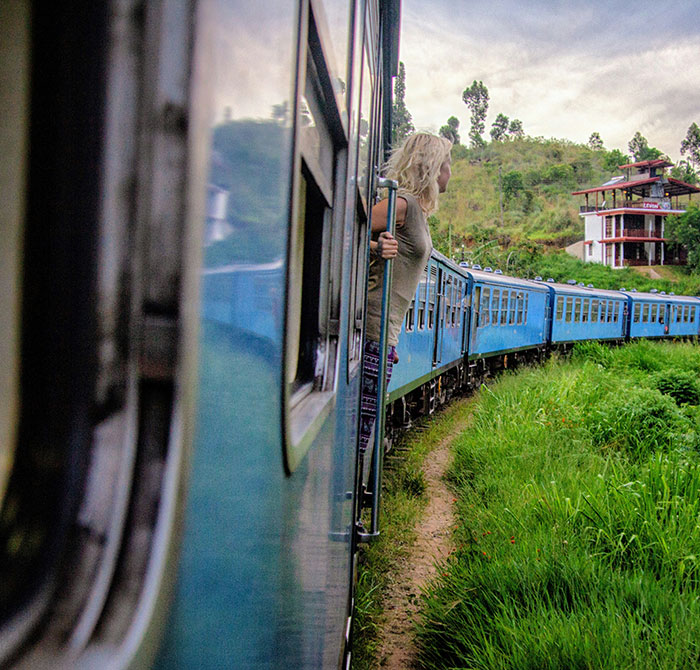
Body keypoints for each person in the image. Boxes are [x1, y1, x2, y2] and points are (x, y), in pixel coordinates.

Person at [359, 133, 453, 453]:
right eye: (446, 164)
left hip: (386, 331)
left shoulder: (418, 213)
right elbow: (348, 224)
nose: (449, 172)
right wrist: (375, 246)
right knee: (360, 427)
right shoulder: (404, 204)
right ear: (431, 167)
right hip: (374, 324)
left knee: (365, 423)